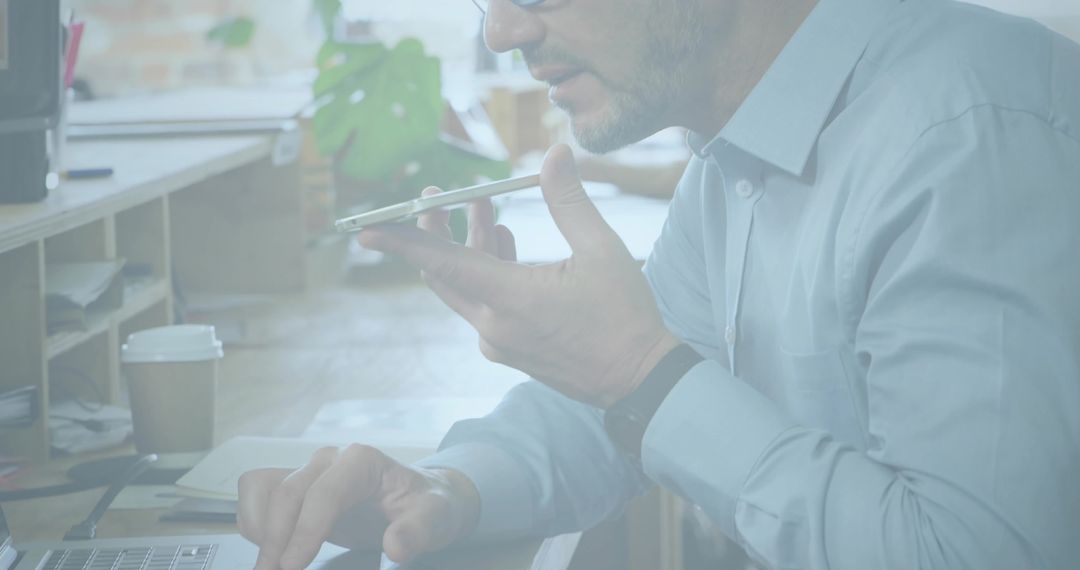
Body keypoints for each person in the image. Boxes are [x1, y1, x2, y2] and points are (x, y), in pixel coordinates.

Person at [238, 0, 1080, 568]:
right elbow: (622, 404)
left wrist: (637, 372)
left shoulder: (968, 137)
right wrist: (448, 488)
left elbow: (970, 554)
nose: (499, 32)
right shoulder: (740, 153)